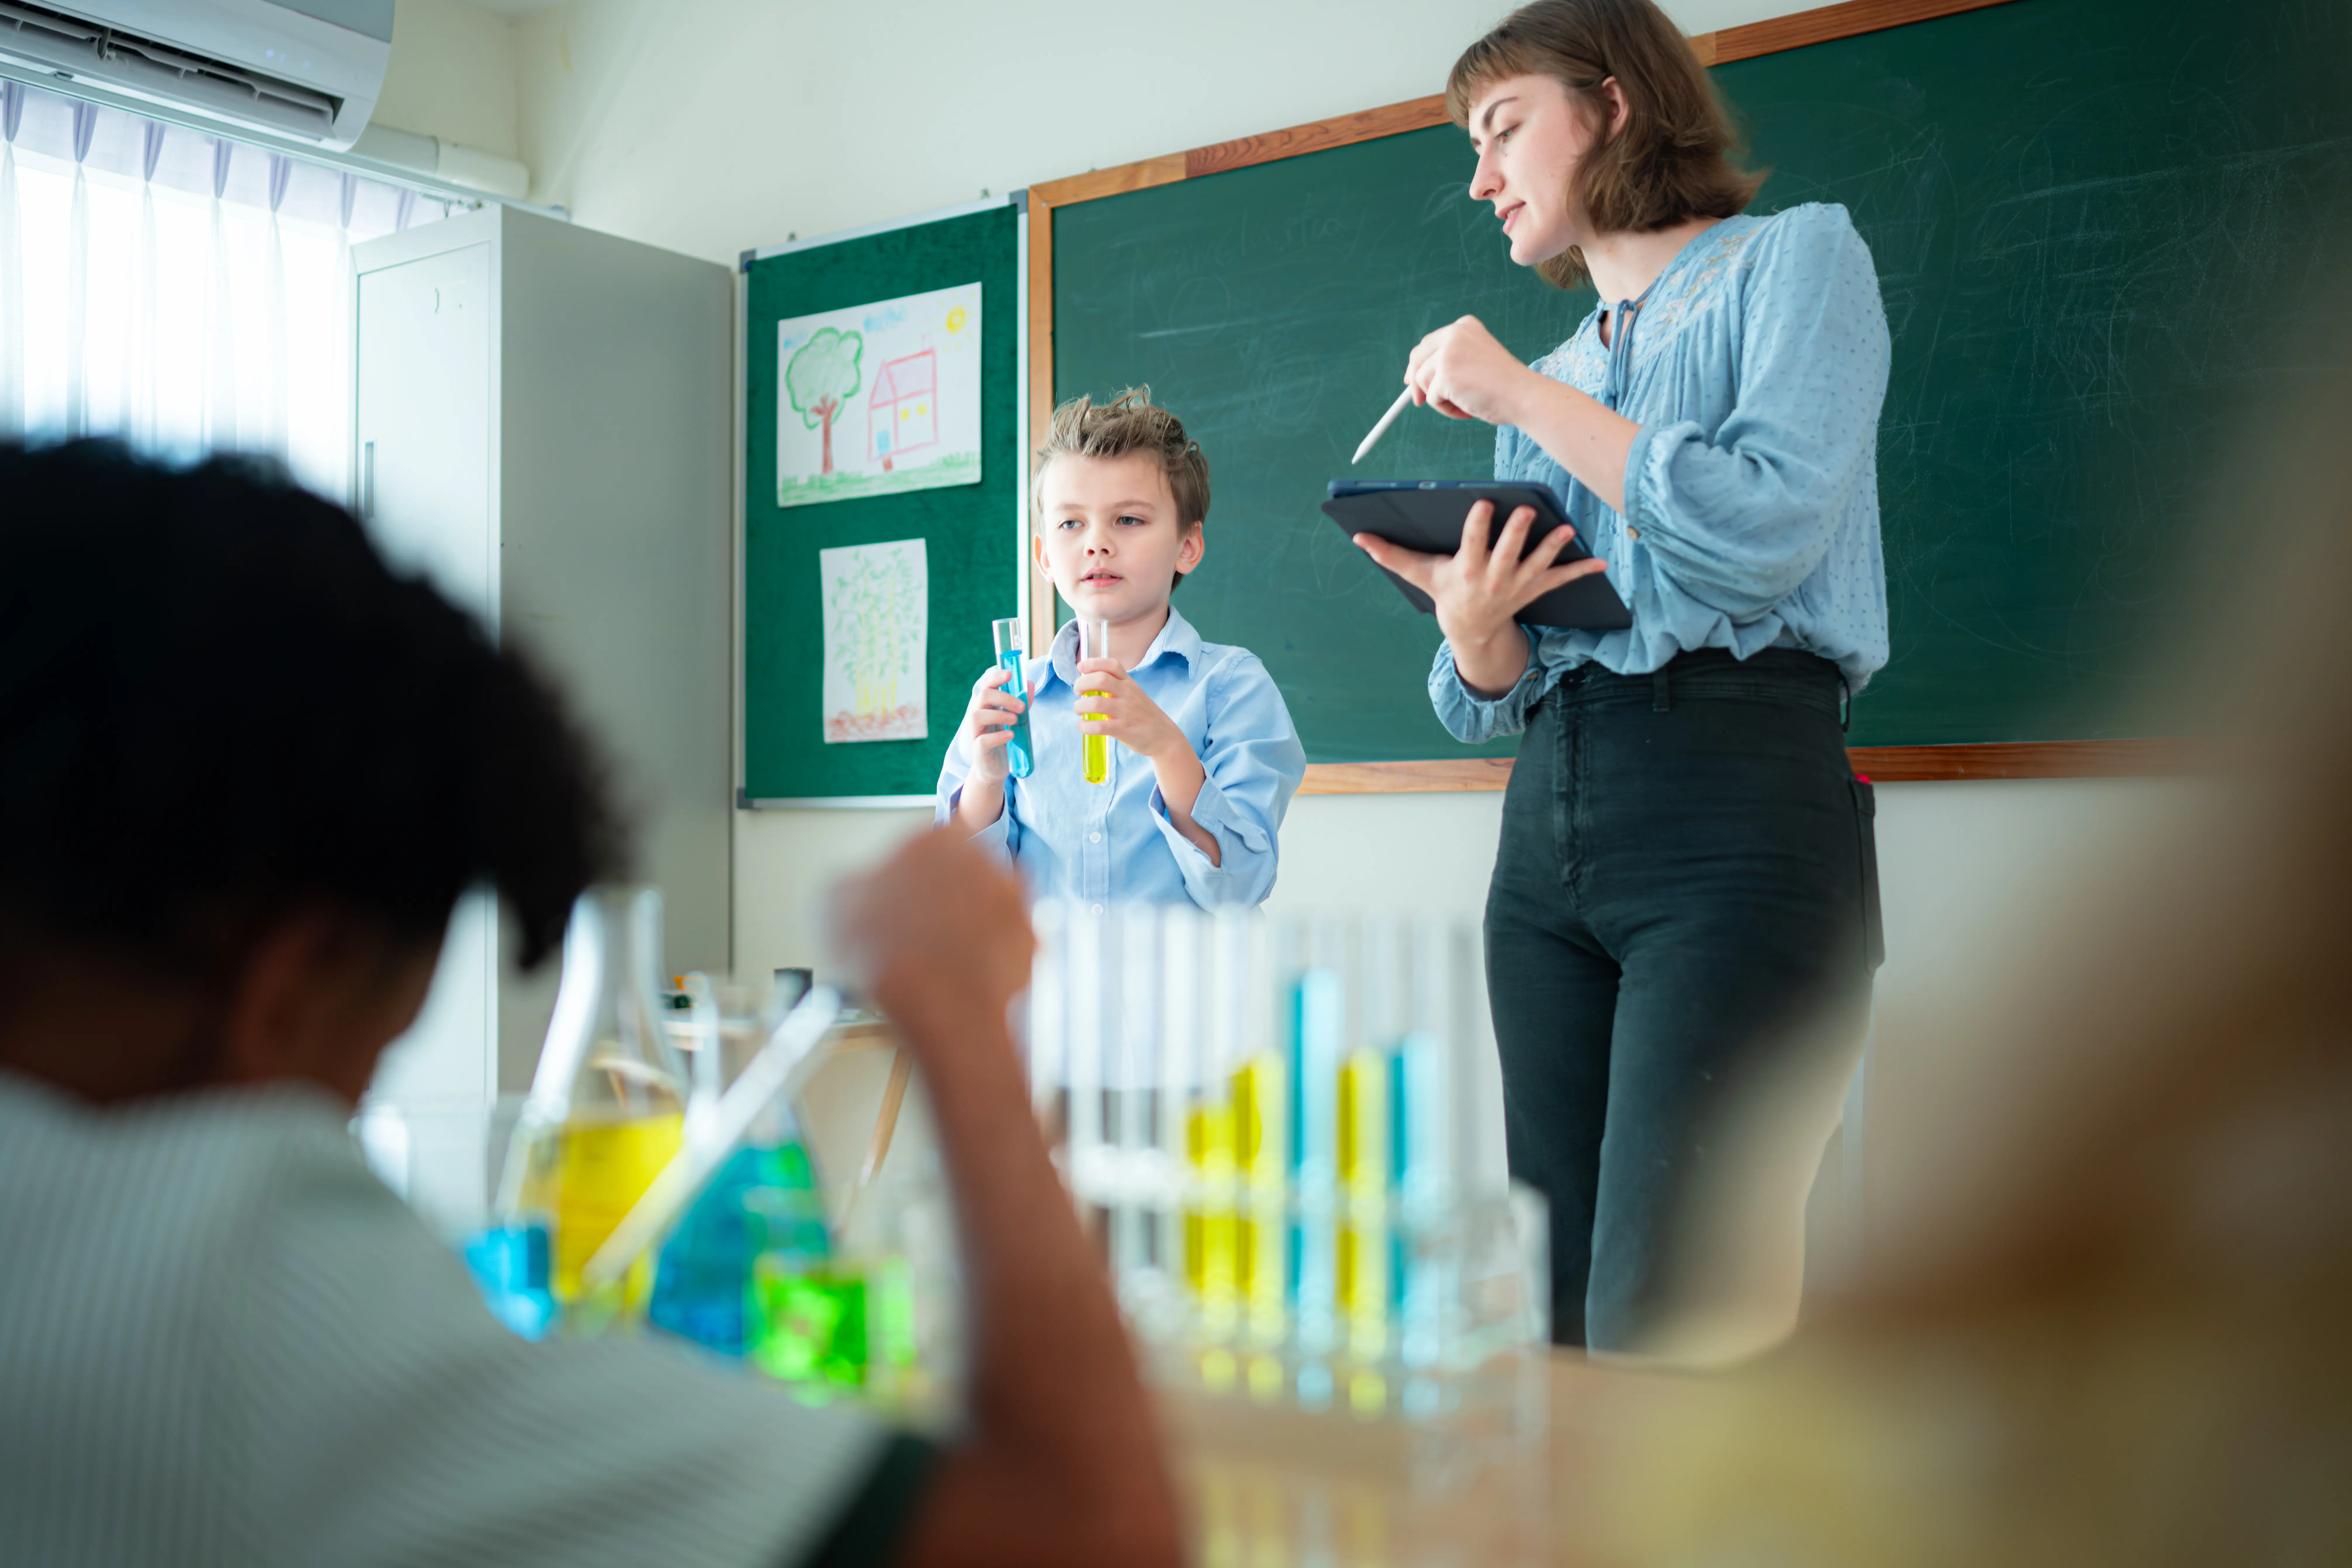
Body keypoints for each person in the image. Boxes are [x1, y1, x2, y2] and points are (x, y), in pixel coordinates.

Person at [0, 440, 1182, 1568]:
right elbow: (1086, 1536)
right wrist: (959, 1010)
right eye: (367, 1064)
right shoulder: (228, 1298)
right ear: (291, 987)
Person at [1350, 0, 1890, 1355]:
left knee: (1678, 1315)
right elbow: (1493, 689)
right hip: (1546, 835)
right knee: (1551, 1309)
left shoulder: (1794, 262)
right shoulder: (1551, 372)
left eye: (1500, 127)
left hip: (1738, 811)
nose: (1478, 177)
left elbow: (1763, 536)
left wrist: (1522, 405)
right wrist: (1473, 633)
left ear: (1613, 103)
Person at [939, 388, 1306, 910]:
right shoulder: (1015, 699)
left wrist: (1167, 746)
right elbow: (960, 903)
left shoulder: (1232, 687)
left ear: (1188, 546)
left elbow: (1241, 884)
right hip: (1047, 993)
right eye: (1071, 523)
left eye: (1128, 519)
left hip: (1183, 993)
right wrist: (984, 779)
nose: (1096, 543)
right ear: (1044, 556)